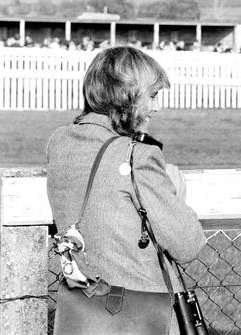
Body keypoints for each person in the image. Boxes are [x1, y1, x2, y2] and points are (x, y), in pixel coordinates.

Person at [46, 46, 206, 334]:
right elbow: (187, 245)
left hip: (82, 310)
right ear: (126, 97)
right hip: (140, 314)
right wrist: (176, 197)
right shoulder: (137, 156)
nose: (157, 108)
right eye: (153, 96)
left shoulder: (60, 143)